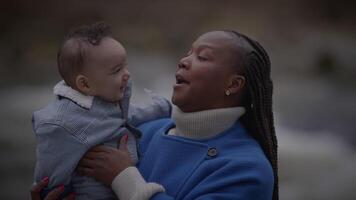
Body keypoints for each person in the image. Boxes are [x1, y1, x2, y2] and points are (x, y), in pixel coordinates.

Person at [32, 30, 278, 200]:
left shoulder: (248, 169)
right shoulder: (143, 130)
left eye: (202, 57)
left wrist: (125, 179)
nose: (183, 61)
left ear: (234, 85)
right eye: (188, 53)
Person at [31, 22, 171, 200]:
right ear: (85, 84)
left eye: (125, 66)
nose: (127, 74)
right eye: (117, 70)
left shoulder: (107, 98)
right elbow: (51, 165)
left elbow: (129, 115)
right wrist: (48, 192)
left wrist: (162, 108)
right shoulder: (62, 123)